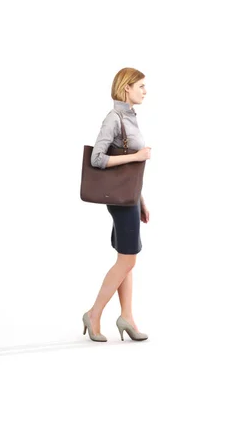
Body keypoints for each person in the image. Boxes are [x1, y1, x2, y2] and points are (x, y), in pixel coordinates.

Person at [83, 67, 151, 343]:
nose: (145, 91)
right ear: (127, 88)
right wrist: (137, 156)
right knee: (128, 259)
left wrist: (141, 199)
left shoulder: (130, 118)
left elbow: (132, 174)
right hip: (121, 202)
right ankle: (94, 313)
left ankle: (127, 317)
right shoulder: (114, 118)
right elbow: (97, 159)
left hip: (130, 199)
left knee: (126, 261)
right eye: (141, 86)